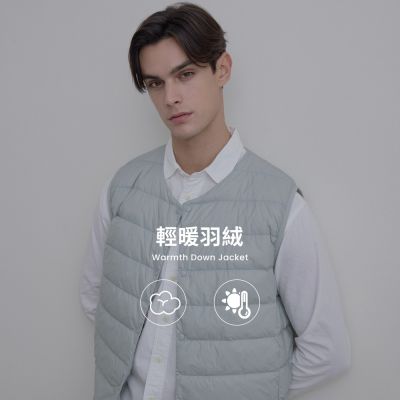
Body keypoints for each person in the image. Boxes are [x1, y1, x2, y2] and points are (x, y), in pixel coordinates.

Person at [79, 2, 351, 400]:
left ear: (222, 69)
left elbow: (328, 350)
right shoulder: (122, 188)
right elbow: (97, 299)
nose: (171, 97)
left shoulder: (280, 206)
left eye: (185, 74)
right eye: (155, 83)